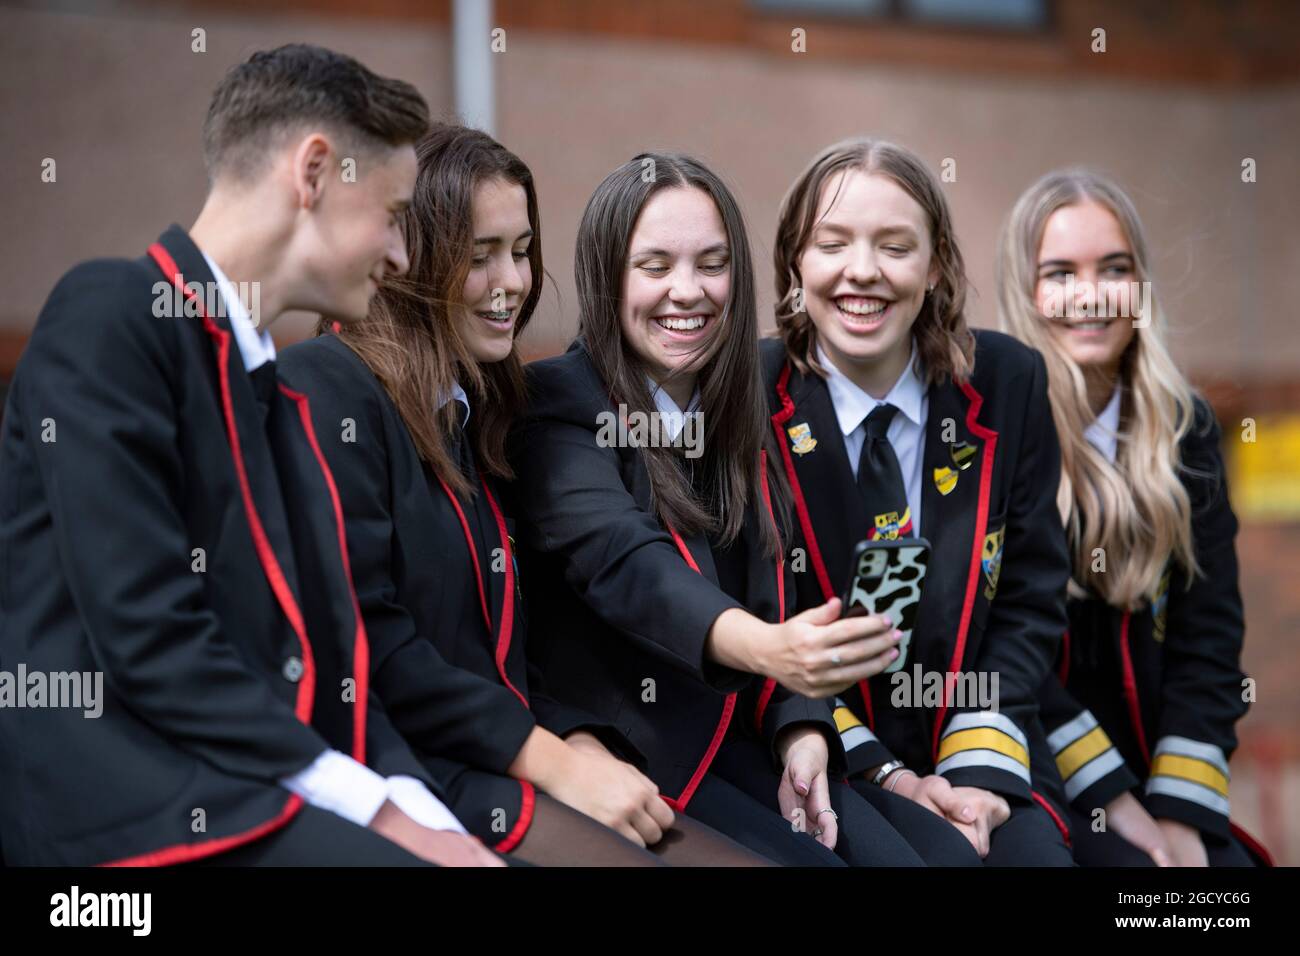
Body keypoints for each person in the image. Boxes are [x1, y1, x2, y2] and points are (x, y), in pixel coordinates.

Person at [0, 44, 498, 866]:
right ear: (313, 174)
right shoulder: (111, 314)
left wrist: (420, 813)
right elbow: (149, 637)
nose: (404, 254)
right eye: (394, 212)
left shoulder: (278, 391)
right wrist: (379, 819)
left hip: (253, 789)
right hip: (125, 830)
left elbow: (337, 661)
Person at [280, 124, 769, 865]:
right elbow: (372, 644)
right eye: (480, 258)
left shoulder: (478, 417)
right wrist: (553, 760)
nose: (511, 281)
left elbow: (508, 658)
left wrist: (575, 742)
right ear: (413, 258)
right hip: (407, 780)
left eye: (520, 250)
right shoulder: (331, 383)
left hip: (504, 766)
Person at [509, 152, 931, 867]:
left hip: (749, 737)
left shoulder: (742, 399)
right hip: (638, 754)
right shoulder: (559, 404)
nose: (688, 291)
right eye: (654, 265)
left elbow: (773, 585)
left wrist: (801, 726)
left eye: (712, 263)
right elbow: (627, 563)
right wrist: (773, 652)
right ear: (606, 274)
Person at [761, 137, 1075, 865]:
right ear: (795, 264)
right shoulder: (749, 398)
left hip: (986, 741)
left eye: (895, 246)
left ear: (935, 267)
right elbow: (763, 618)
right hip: (832, 758)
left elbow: (1030, 596)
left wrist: (975, 777)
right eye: (831, 243)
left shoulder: (1007, 381)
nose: (861, 271)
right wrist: (889, 775)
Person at [997, 167, 1271, 867]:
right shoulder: (992, 432)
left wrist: (1180, 815)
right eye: (1059, 273)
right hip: (1040, 776)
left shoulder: (1187, 429)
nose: (1090, 295)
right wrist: (1113, 801)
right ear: (1024, 293)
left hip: (1161, 776)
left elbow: (1209, 640)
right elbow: (998, 651)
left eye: (1113, 269)